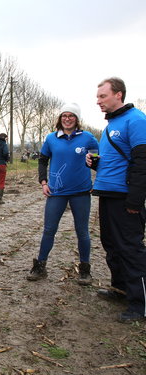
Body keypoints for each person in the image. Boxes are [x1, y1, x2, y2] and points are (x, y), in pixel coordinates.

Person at [87, 77, 146, 323]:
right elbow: (119, 159)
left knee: (130, 249)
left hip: (125, 197)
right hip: (108, 193)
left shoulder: (136, 121)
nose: (98, 100)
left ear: (118, 95)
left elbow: (142, 163)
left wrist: (134, 201)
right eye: (98, 96)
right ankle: (120, 289)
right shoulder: (112, 124)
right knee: (111, 244)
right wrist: (97, 162)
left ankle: (140, 304)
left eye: (102, 96)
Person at [27, 103, 99, 285]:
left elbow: (99, 162)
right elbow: (42, 161)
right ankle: (40, 266)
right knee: (49, 230)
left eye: (71, 116)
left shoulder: (88, 139)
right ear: (60, 118)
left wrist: (97, 182)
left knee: (82, 231)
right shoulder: (51, 138)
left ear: (77, 119)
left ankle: (85, 269)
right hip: (56, 192)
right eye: (64, 115)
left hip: (81, 193)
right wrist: (43, 182)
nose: (67, 118)